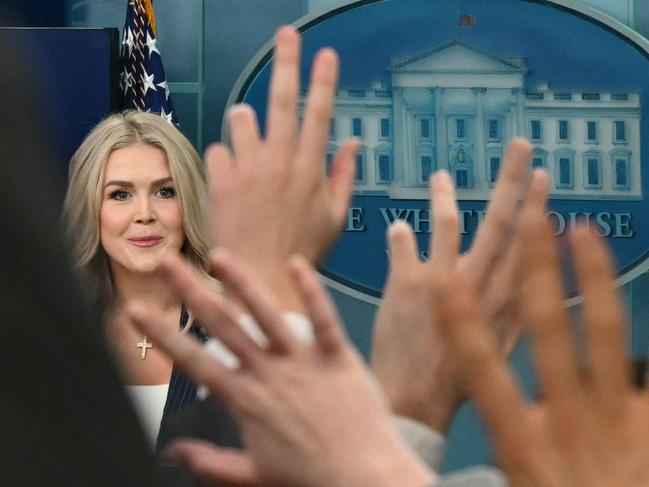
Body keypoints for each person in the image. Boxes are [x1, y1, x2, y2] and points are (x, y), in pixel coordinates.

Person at [62, 110, 213, 445]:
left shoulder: (236, 328)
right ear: (91, 209)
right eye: (120, 194)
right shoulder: (54, 329)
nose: (144, 214)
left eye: (165, 192)